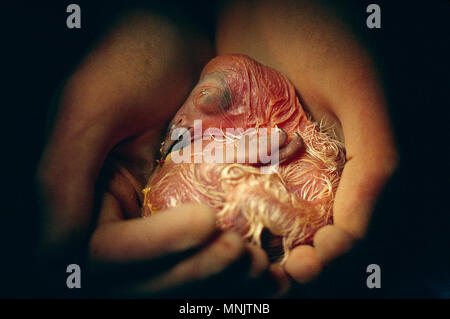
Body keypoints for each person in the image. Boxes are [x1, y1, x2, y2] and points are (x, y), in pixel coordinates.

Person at [36, 0, 397, 297]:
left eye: (207, 98)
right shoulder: (203, 149)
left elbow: (279, 145)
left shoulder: (287, 139)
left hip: (273, 199)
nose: (183, 121)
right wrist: (144, 13)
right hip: (219, 201)